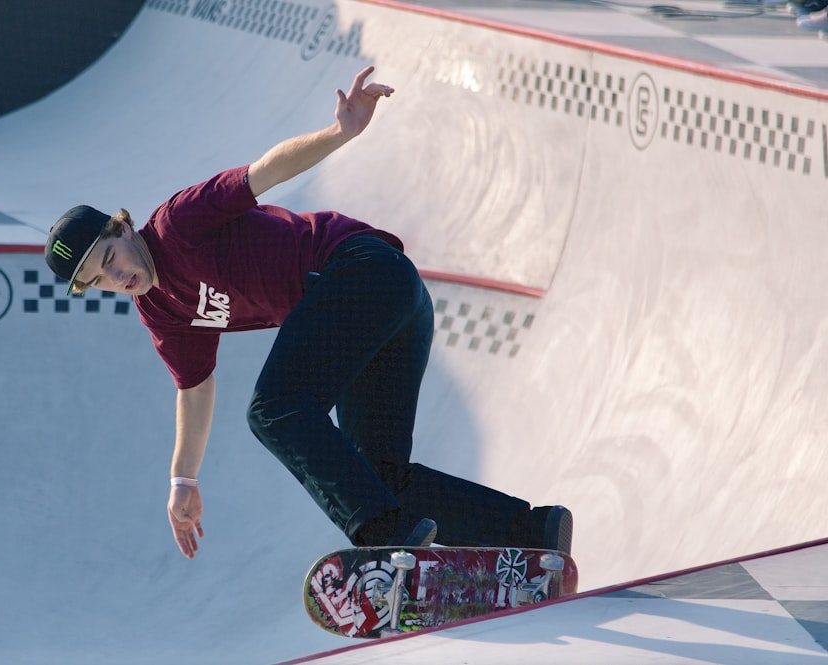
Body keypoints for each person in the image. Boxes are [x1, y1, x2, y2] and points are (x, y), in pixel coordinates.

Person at [44, 66, 572, 560]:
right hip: (378, 311)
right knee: (377, 473)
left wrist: (341, 132)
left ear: (123, 227)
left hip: (360, 271)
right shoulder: (160, 310)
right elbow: (195, 387)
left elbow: (264, 173)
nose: (118, 278)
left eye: (111, 259)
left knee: (275, 407)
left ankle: (385, 543)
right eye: (100, 280)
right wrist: (183, 480)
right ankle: (532, 534)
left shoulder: (178, 223)